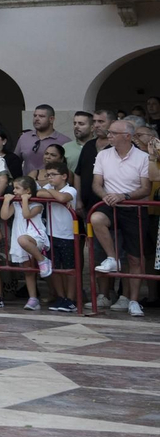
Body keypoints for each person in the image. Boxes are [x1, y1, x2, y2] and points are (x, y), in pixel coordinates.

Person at [90, 119, 160, 317]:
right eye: (109, 132)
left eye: (113, 133)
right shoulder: (103, 154)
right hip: (110, 204)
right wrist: (105, 196)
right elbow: (96, 183)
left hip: (134, 207)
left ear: (127, 136)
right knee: (96, 218)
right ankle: (112, 258)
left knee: (134, 258)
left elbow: (145, 188)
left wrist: (124, 196)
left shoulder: (143, 157)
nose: (109, 135)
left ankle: (134, 301)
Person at [1, 175, 53, 311]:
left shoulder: (37, 205)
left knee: (23, 240)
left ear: (28, 190)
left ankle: (43, 260)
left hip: (34, 236)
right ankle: (33, 298)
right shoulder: (16, 203)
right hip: (20, 236)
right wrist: (6, 201)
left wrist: (24, 200)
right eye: (14, 188)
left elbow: (26, 214)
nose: (14, 191)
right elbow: (4, 216)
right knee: (28, 269)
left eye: (17, 188)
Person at [38, 159, 79, 312]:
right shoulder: (50, 188)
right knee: (54, 268)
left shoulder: (71, 189)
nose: (50, 178)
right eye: (48, 175)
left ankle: (70, 299)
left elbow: (63, 198)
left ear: (64, 176)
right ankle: (61, 297)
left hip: (68, 236)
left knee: (69, 269)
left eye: (53, 175)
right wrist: (54, 193)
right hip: (51, 234)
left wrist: (52, 193)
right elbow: (39, 193)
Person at [15, 105, 69, 179]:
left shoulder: (64, 141)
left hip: (52, 184)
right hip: (27, 183)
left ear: (51, 119)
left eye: (41, 116)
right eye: (35, 116)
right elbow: (15, 162)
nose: (36, 119)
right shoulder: (24, 138)